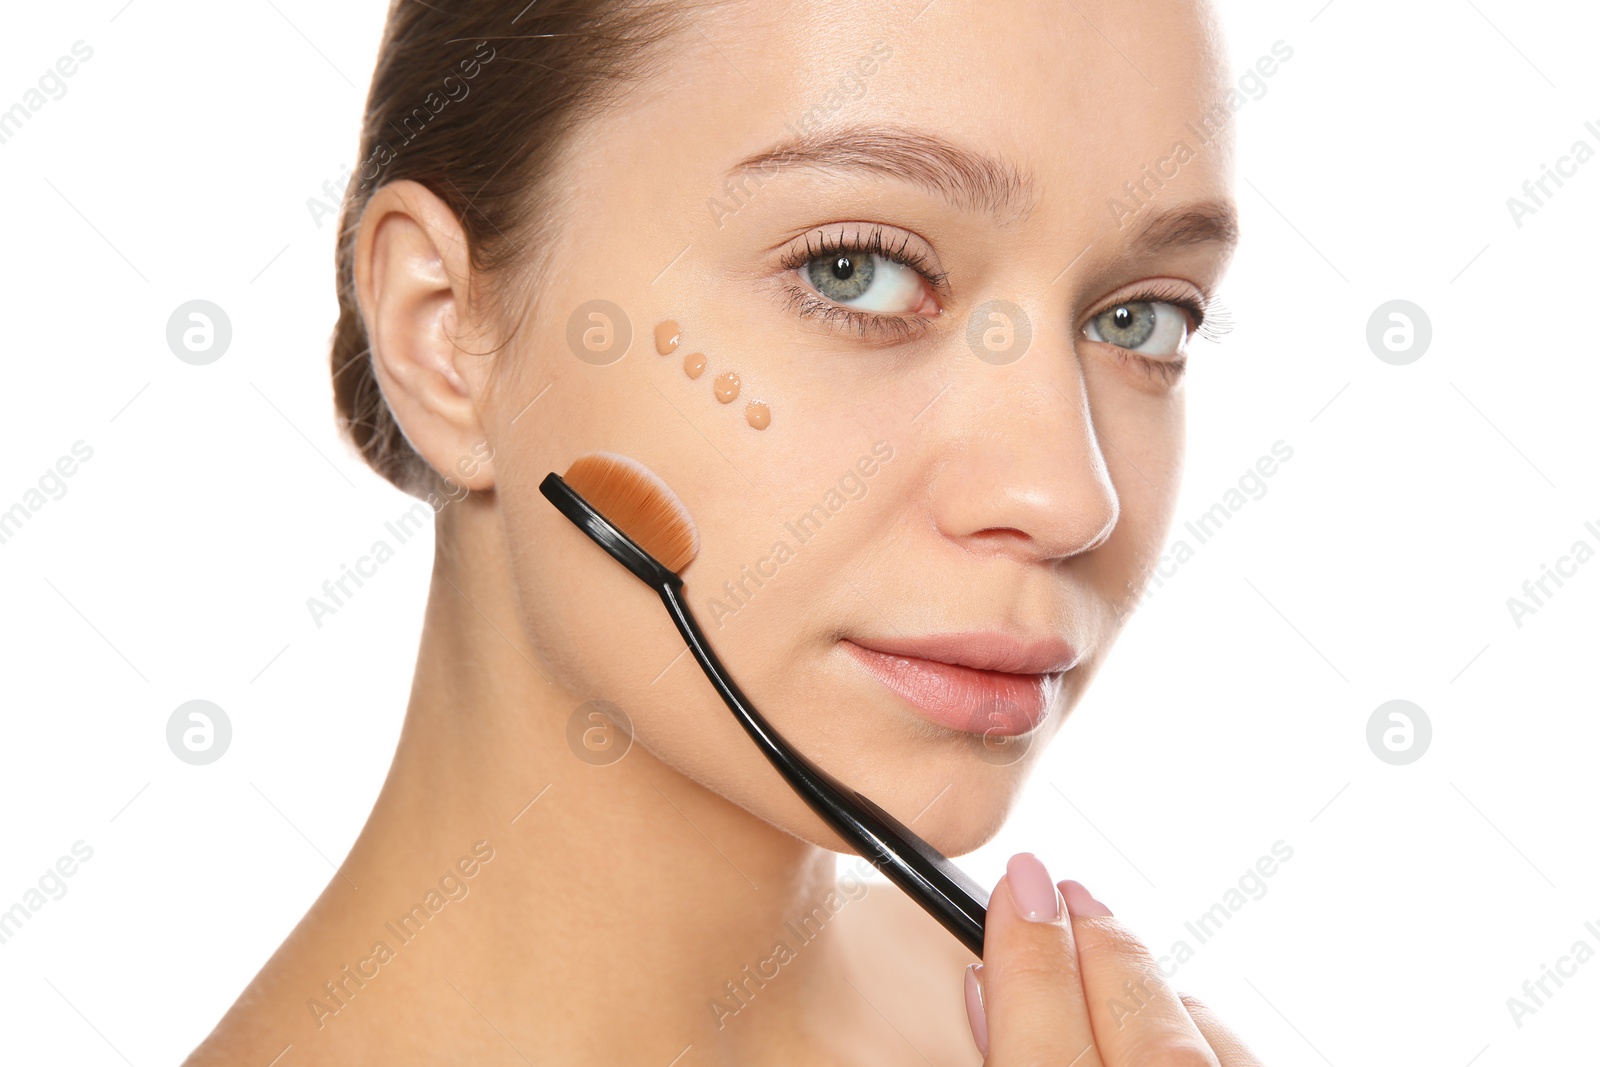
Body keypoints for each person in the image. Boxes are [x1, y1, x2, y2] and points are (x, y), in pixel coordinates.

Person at [185, 0, 1260, 1061]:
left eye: (1141, 317)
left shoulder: (1071, 1032)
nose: (1069, 498)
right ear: (442, 336)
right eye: (854, 269)